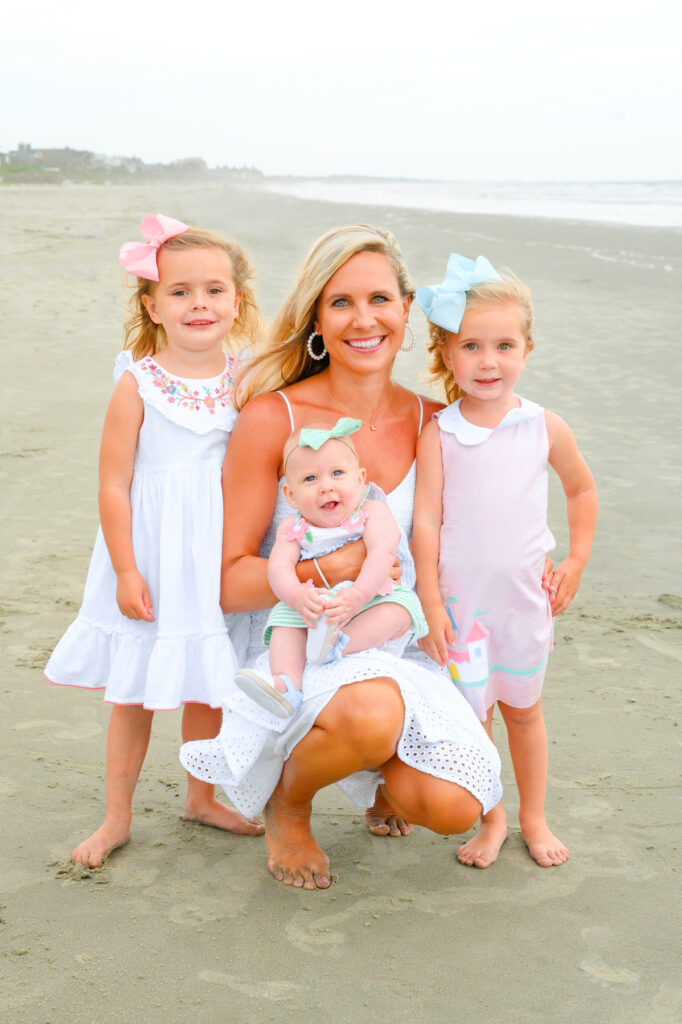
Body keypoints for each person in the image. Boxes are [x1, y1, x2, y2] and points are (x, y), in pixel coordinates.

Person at [180, 224, 503, 890]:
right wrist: (341, 565)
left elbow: (470, 548)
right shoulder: (275, 418)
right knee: (370, 709)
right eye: (341, 302)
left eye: (380, 299)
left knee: (452, 807)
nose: (364, 320)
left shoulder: (434, 422)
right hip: (299, 647)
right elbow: (230, 582)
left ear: (407, 311)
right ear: (317, 320)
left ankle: (378, 769)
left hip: (394, 641)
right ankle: (289, 806)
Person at [45, 214, 265, 867]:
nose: (199, 303)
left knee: (207, 683)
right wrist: (126, 569)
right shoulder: (137, 381)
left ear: (236, 302)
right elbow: (114, 484)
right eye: (180, 291)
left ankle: (202, 797)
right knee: (135, 690)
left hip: (213, 557)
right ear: (152, 305)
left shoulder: (248, 377)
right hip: (147, 556)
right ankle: (116, 817)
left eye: (214, 290)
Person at [412, 253, 597, 869]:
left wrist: (575, 561)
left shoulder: (543, 426)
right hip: (462, 609)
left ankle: (533, 817)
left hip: (523, 603)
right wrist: (432, 604)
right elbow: (426, 521)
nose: (488, 361)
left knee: (524, 711)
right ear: (446, 354)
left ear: (526, 348)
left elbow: (580, 489)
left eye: (504, 345)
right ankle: (491, 818)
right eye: (471, 346)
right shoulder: (438, 432)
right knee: (476, 715)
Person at [234, 417, 427, 717]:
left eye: (337, 473)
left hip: (369, 598)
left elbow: (383, 552)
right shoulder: (294, 526)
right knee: (284, 620)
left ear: (360, 479)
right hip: (314, 605)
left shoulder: (372, 510)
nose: (326, 487)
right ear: (290, 494)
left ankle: (339, 643)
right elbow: (279, 569)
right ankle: (286, 685)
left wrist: (359, 595)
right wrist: (297, 596)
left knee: (401, 609)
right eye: (310, 479)